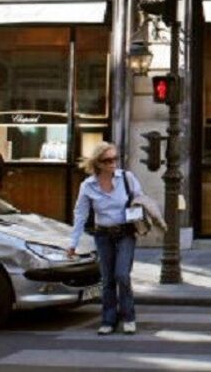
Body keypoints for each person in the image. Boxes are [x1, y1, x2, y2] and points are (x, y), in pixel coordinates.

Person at [68, 142, 144, 335]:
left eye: (115, 159)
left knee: (122, 275)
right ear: (98, 163)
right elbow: (80, 215)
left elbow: (140, 199)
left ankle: (128, 316)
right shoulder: (87, 186)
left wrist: (140, 211)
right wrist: (73, 243)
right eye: (107, 160)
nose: (113, 163)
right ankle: (108, 320)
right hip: (103, 235)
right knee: (107, 278)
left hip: (125, 233)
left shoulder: (127, 178)